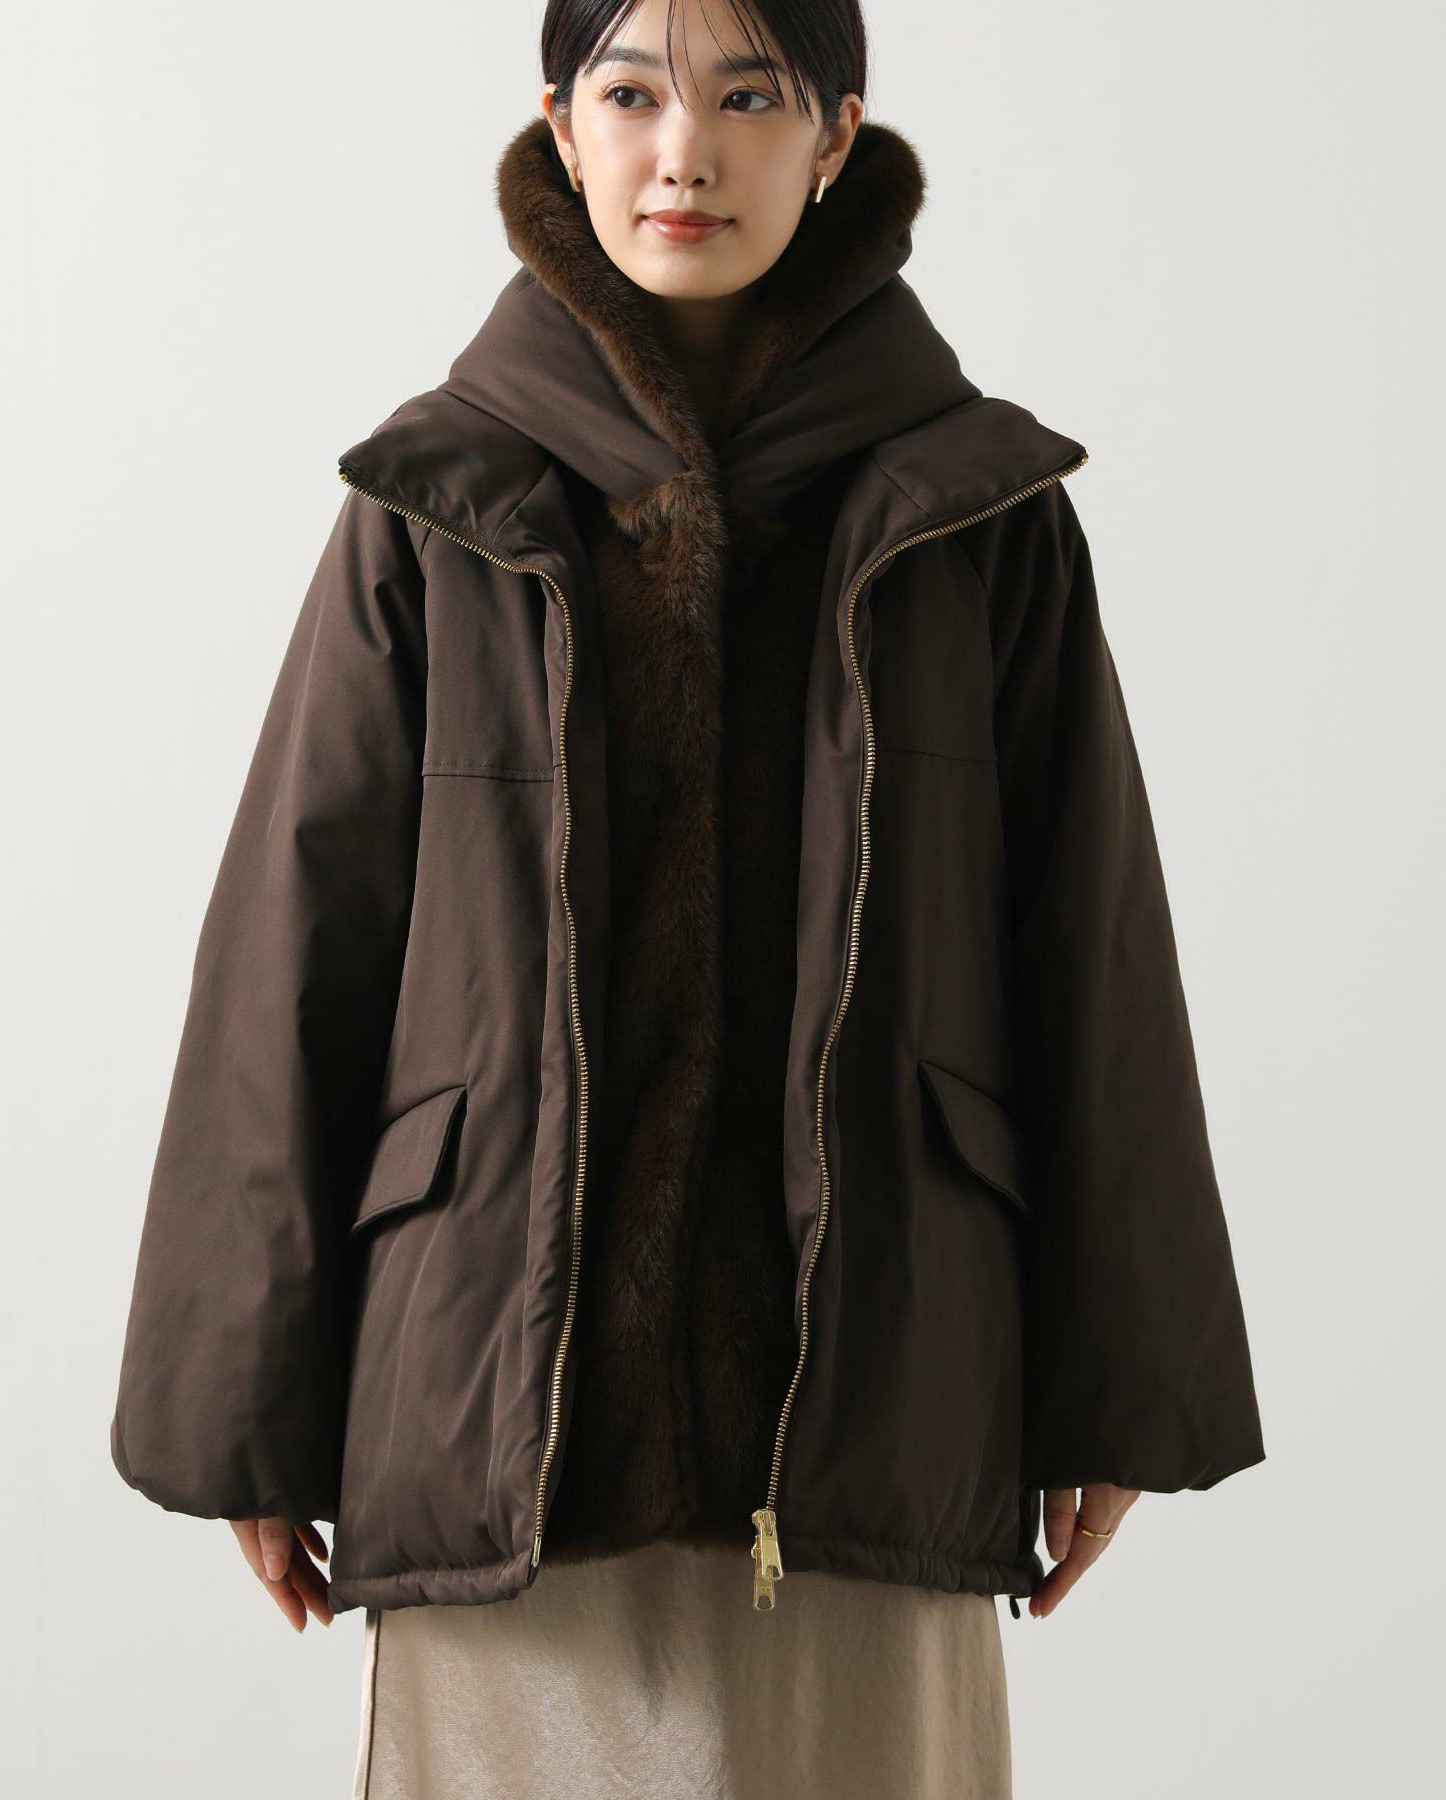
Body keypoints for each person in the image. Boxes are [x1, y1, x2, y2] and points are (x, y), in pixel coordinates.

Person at [109, 2, 1266, 1794]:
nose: (685, 153)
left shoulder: (979, 515)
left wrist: (1115, 1383)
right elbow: (293, 949)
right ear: (560, 125)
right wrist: (244, 1410)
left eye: (748, 95)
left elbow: (1093, 951)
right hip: (503, 1404)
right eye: (633, 93)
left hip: (880, 1385)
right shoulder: (436, 504)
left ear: (838, 133)